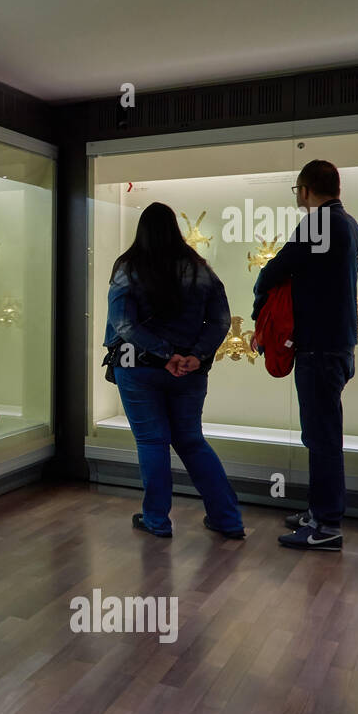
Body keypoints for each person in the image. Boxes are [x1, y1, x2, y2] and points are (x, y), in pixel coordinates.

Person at [104, 202, 244, 539]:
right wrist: (194, 356)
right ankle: (227, 520)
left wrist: (164, 354)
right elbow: (221, 320)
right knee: (192, 441)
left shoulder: (128, 266)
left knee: (152, 442)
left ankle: (157, 520)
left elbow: (123, 323)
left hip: (137, 367)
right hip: (189, 372)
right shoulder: (200, 269)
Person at [251, 160, 358, 551]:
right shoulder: (349, 224)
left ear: (305, 189)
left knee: (321, 436)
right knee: (322, 433)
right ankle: (319, 511)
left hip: (318, 344)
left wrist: (260, 300)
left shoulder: (319, 223)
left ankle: (326, 523)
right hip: (340, 342)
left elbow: (277, 268)